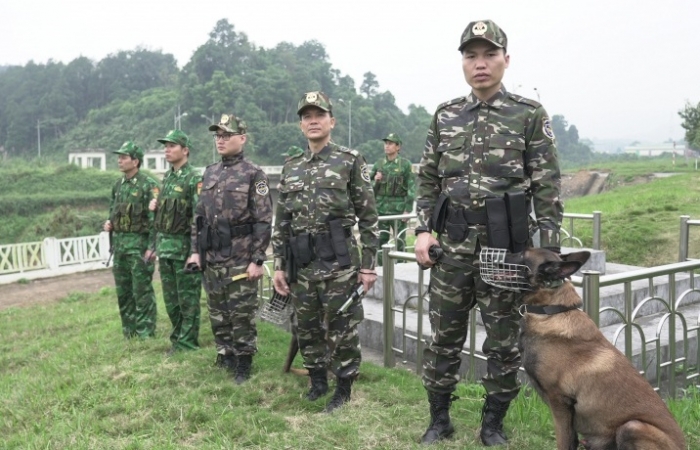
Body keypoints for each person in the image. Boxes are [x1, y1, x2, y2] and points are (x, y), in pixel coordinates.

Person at [414, 20, 563, 446]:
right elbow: (427, 180)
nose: (480, 64)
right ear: (463, 62)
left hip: (507, 251)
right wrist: (424, 231)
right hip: (452, 251)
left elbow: (547, 184)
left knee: (502, 344)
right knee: (444, 338)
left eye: (489, 55)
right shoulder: (445, 115)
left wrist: (547, 250)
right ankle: (438, 418)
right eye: (471, 55)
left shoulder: (528, 114)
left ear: (505, 60)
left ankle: (492, 424)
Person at [271, 91, 379, 413]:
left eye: (319, 115)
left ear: (331, 121)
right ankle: (317, 381)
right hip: (302, 263)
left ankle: (343, 387)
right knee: (306, 326)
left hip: (339, 262)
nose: (313, 120)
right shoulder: (291, 167)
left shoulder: (349, 160)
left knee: (343, 326)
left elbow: (369, 217)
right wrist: (279, 265)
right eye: (307, 116)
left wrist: (369, 266)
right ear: (301, 125)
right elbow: (283, 222)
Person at [186, 114, 272, 384]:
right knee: (217, 310)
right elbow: (199, 217)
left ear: (242, 138)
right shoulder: (210, 172)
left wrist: (257, 259)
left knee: (240, 312)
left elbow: (263, 220)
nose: (221, 140)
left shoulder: (253, 173)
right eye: (218, 136)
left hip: (240, 255)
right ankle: (225, 354)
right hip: (212, 255)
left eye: (226, 135)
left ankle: (243, 362)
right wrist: (196, 251)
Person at [149, 129, 202, 355]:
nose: (167, 150)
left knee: (188, 300)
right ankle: (177, 339)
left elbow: (198, 218)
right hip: (166, 249)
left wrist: (195, 251)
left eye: (172, 146)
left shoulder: (194, 179)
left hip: (184, 250)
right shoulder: (167, 178)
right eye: (165, 146)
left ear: (185, 150)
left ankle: (188, 344)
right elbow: (162, 217)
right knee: (172, 301)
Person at [104, 141, 160, 338]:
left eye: (124, 157)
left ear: (135, 161)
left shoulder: (148, 185)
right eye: (119, 157)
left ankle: (146, 332)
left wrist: (152, 248)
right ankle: (130, 331)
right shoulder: (118, 186)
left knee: (142, 291)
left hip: (139, 246)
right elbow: (113, 211)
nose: (119, 161)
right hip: (119, 247)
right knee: (124, 292)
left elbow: (155, 220)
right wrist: (109, 224)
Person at [370, 133, 415, 265]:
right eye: (386, 143)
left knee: (400, 241)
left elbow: (411, 189)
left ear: (398, 146)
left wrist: (408, 210)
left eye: (390, 143)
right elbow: (368, 189)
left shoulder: (405, 165)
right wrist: (376, 181)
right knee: (381, 242)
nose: (387, 146)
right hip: (381, 209)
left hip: (399, 210)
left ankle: (402, 269)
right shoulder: (379, 164)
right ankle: (382, 269)